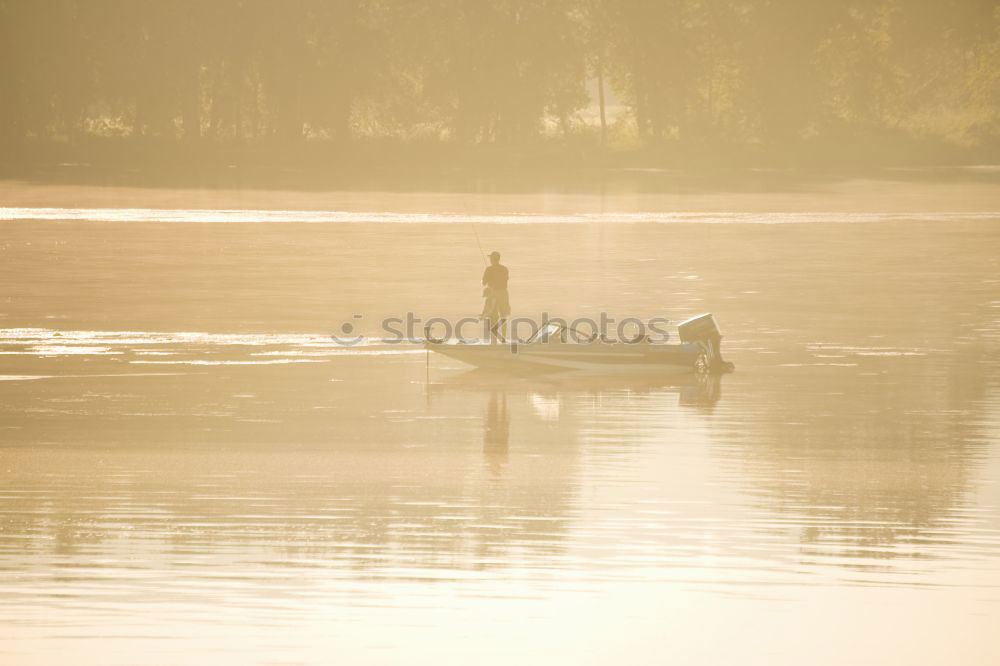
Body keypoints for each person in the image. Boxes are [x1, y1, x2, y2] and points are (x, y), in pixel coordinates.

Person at [481, 251, 510, 342]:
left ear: (492, 259)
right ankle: (504, 338)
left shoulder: (489, 269)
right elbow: (505, 279)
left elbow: (484, 283)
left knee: (493, 316)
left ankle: (493, 340)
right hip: (504, 293)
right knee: (504, 316)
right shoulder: (505, 269)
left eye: (490, 258)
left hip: (493, 293)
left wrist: (485, 280)